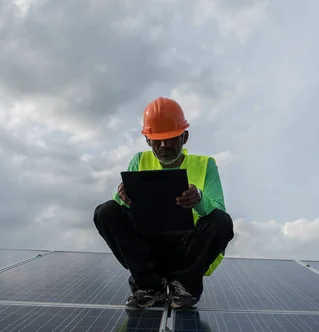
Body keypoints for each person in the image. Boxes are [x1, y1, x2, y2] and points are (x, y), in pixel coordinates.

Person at [93, 97, 234, 309]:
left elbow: (220, 215)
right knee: (105, 211)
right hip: (148, 246)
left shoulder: (206, 165)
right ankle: (150, 286)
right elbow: (118, 211)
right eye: (157, 140)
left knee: (221, 221)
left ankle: (183, 287)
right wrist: (121, 197)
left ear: (184, 137)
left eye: (171, 138)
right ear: (148, 141)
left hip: (188, 247)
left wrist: (199, 199)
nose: (164, 145)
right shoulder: (139, 161)